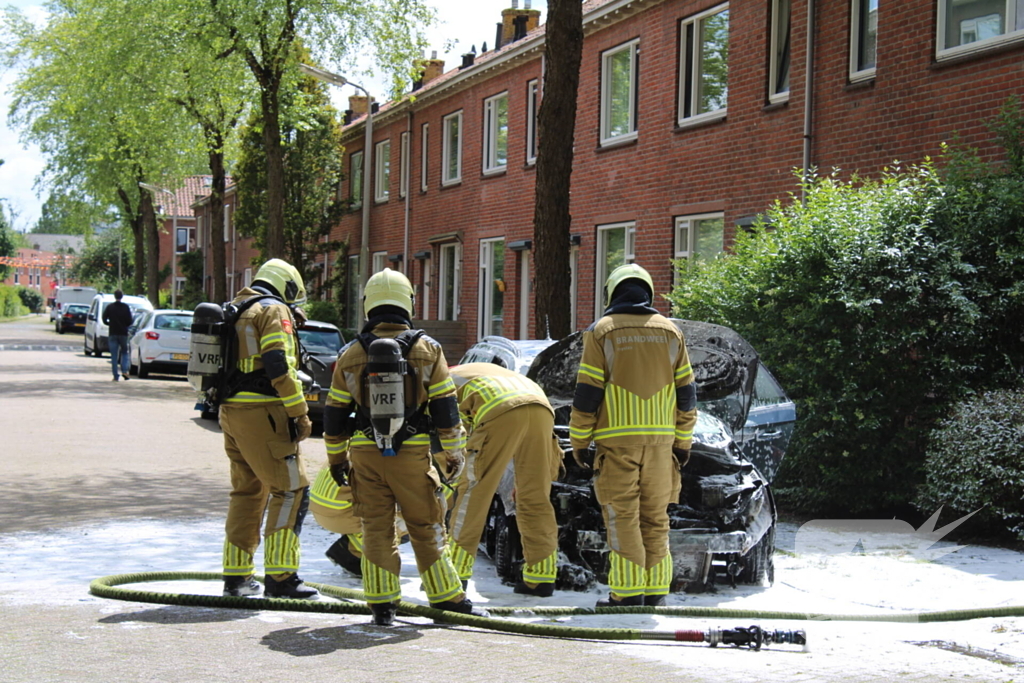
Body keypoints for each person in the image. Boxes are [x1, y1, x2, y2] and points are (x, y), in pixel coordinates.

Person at [323, 268, 473, 626]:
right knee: (426, 524)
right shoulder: (428, 349)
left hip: (365, 455)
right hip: (412, 454)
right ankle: (446, 598)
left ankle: (382, 604)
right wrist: (452, 453)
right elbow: (445, 409)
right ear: (407, 302)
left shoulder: (350, 353)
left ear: (368, 305)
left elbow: (334, 413)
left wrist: (335, 459)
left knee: (375, 527)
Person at [569, 264, 697, 608]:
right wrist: (682, 443)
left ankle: (626, 592)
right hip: (661, 446)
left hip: (616, 444)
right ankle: (656, 591)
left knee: (622, 515)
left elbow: (587, 395)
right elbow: (687, 396)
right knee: (656, 516)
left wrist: (579, 442)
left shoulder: (602, 331)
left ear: (612, 293)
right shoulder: (671, 332)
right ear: (649, 292)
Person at [219, 259, 318, 600]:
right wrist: (300, 413)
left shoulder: (236, 307)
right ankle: (282, 577)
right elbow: (278, 365)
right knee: (291, 489)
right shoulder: (273, 310)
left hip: (231, 411)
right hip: (264, 413)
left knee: (247, 492)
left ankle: (236, 576)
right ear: (287, 287)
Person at [446, 362, 562, 596]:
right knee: (535, 496)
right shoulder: (483, 372)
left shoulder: (440, 382)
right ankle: (540, 578)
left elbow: (447, 436)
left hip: (498, 409)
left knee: (474, 493)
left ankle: (453, 576)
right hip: (541, 408)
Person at [103, 290, 134, 381]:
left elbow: (104, 318)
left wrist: (109, 324)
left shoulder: (110, 307)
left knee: (114, 355)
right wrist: (125, 325)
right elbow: (130, 320)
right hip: (123, 333)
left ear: (114, 296)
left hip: (113, 333)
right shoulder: (126, 307)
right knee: (124, 352)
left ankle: (115, 375)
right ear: (122, 296)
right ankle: (124, 371)